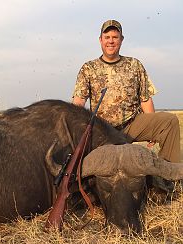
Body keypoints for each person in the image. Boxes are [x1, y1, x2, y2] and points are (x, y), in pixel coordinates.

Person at [72, 19, 181, 163]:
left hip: (132, 125)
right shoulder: (88, 68)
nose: (111, 41)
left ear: (121, 40)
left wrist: (152, 130)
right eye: (107, 37)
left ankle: (167, 178)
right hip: (102, 128)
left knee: (169, 121)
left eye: (115, 37)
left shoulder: (135, 64)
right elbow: (78, 102)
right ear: (100, 40)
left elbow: (145, 99)